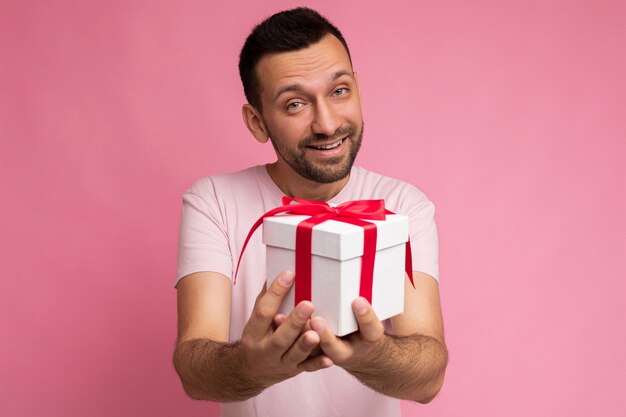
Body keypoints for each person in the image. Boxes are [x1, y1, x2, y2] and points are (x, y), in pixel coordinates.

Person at [173, 7, 448, 417]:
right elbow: (194, 371)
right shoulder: (213, 201)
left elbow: (428, 379)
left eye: (339, 91)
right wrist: (253, 366)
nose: (327, 123)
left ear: (357, 89)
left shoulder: (404, 205)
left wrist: (369, 355)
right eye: (295, 104)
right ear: (257, 122)